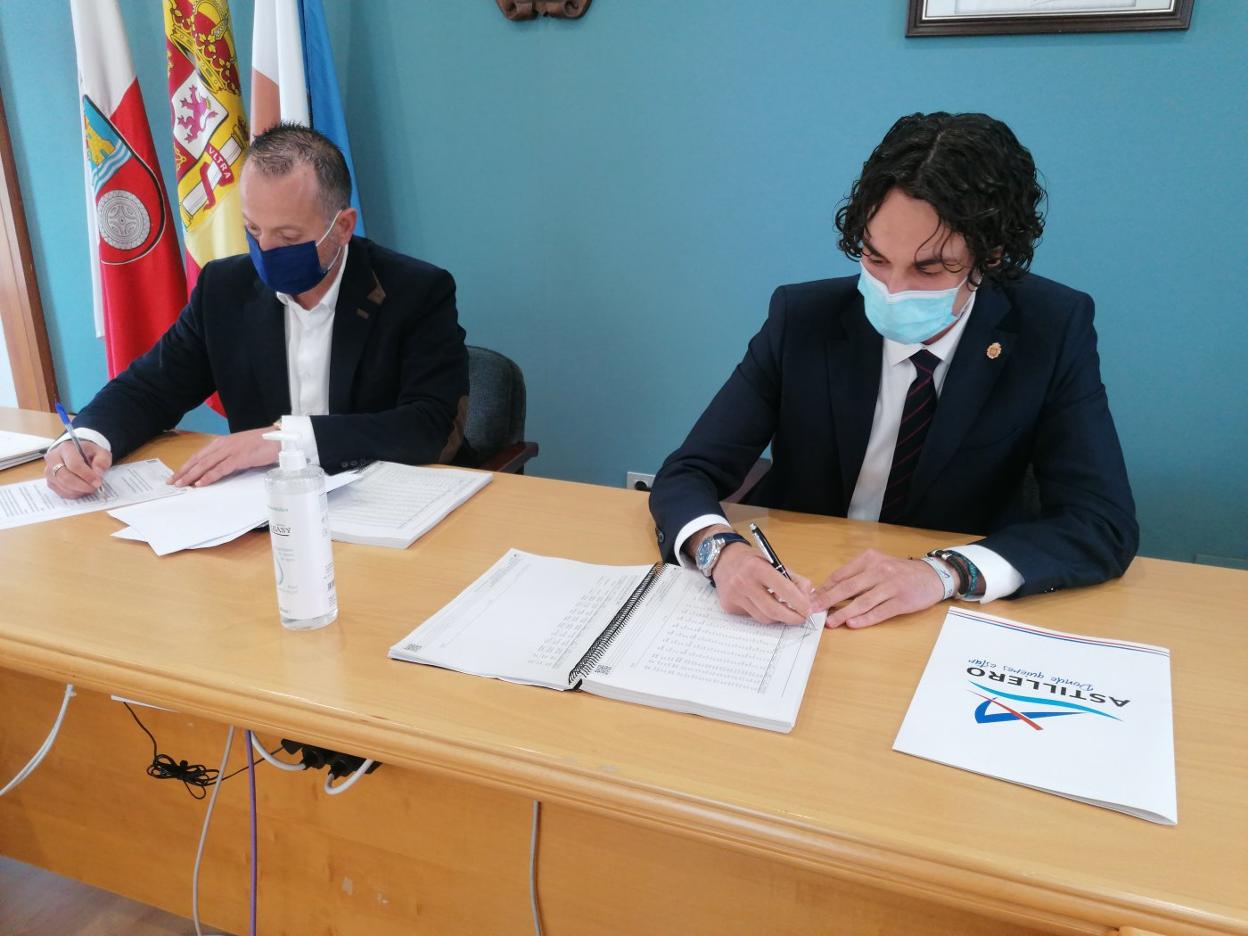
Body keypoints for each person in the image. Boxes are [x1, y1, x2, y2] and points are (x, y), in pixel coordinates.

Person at [649, 112, 1138, 630]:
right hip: (804, 588)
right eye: (875, 258)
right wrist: (720, 553)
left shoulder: (1051, 329)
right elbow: (688, 472)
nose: (894, 289)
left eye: (930, 268)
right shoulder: (803, 319)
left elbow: (1101, 522)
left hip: (939, 613)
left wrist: (944, 572)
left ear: (990, 257)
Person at [44, 123, 470, 497]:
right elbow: (150, 388)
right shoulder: (223, 289)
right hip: (266, 510)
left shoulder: (416, 291)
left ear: (342, 226)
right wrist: (89, 436)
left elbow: (429, 426)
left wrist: (285, 439)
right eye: (253, 229)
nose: (264, 250)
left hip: (384, 502)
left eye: (288, 236)